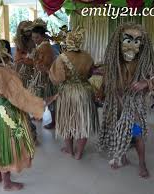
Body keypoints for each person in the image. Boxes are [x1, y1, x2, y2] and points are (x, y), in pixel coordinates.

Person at [0, 39, 57, 191]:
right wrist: (42, 102)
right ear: (5, 52)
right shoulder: (4, 72)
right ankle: (7, 182)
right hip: (6, 112)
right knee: (6, 143)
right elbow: (19, 97)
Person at [98, 23, 154, 178]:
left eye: (137, 42)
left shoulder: (143, 62)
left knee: (137, 135)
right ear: (118, 41)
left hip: (133, 108)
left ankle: (142, 163)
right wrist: (101, 91)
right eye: (128, 40)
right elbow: (107, 79)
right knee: (117, 131)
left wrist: (146, 83)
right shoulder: (113, 61)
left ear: (141, 44)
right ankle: (122, 157)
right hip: (115, 105)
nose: (132, 47)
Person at [49, 29, 99, 160]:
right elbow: (89, 74)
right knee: (83, 123)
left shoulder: (62, 57)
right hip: (84, 92)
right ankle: (79, 153)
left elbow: (56, 78)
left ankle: (70, 150)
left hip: (68, 93)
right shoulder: (87, 56)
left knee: (67, 121)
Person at [30, 18, 57, 129]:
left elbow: (45, 62)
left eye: (37, 37)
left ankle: (53, 121)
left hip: (46, 75)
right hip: (42, 74)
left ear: (42, 36)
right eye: (33, 37)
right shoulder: (43, 46)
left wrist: (35, 59)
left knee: (49, 98)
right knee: (44, 97)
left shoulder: (44, 46)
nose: (35, 40)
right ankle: (40, 115)